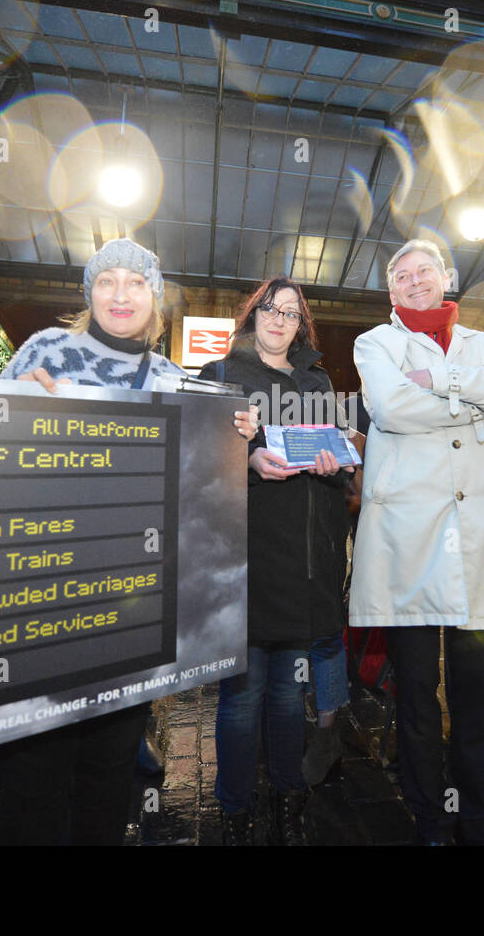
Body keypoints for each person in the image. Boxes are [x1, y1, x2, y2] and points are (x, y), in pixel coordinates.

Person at [0, 237, 257, 846]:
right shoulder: (44, 352)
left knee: (108, 775)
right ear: (89, 293)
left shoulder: (173, 379)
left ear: (154, 297)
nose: (120, 293)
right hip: (38, 599)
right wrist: (10, 407)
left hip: (124, 604)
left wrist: (235, 436)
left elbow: (195, 488)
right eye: (107, 280)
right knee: (32, 776)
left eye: (135, 283)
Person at [349, 239, 484, 845]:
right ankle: (430, 816)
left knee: (479, 690)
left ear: (446, 277)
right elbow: (394, 408)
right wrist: (472, 401)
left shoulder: (479, 342)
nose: (414, 280)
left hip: (477, 534)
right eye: (401, 275)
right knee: (417, 693)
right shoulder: (375, 343)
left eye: (424, 270)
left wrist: (443, 378)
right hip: (410, 535)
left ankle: (480, 818)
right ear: (391, 291)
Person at [196, 277, 351, 845]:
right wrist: (247, 458)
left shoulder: (317, 380)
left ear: (301, 323)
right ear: (253, 313)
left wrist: (339, 463)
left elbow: (337, 451)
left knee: (290, 694)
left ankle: (288, 795)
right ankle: (235, 808)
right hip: (246, 558)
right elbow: (198, 458)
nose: (279, 319)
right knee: (241, 698)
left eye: (291, 312)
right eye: (270, 308)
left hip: (308, 561)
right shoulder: (221, 375)